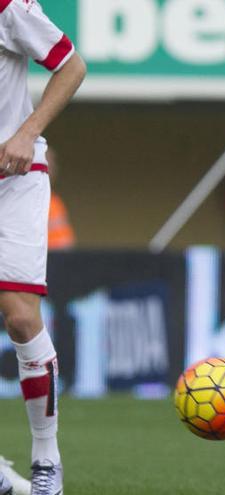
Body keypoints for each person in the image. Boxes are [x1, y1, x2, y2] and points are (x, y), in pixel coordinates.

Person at [0, 0, 86, 494]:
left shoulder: (11, 9)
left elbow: (71, 65)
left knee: (20, 316)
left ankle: (46, 461)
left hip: (14, 179)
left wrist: (27, 132)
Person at [45, 148, 75, 251]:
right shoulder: (26, 201)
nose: (51, 169)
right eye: (47, 163)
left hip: (60, 259)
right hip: (40, 259)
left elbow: (66, 239)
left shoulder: (55, 201)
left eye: (52, 165)